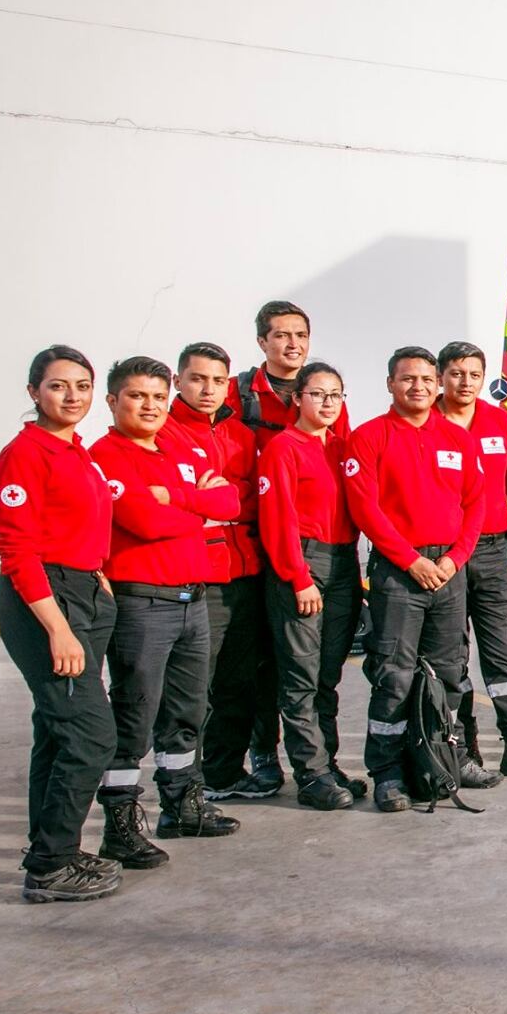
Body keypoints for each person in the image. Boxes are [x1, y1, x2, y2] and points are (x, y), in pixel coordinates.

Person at [91, 355, 242, 866]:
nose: (150, 406)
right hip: (142, 603)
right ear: (113, 401)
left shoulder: (180, 446)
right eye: (137, 396)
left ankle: (182, 806)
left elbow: (230, 504)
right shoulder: (106, 455)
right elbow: (143, 521)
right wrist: (196, 506)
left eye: (158, 396)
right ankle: (120, 823)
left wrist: (175, 499)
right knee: (134, 713)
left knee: (187, 712)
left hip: (192, 600)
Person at [0, 346, 122, 902]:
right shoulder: (24, 454)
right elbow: (17, 549)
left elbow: (79, 526)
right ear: (33, 392)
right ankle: (49, 866)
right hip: (46, 601)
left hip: (81, 591)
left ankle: (52, 849)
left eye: (82, 386)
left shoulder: (76, 451)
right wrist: (57, 628)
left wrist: (97, 576)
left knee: (56, 730)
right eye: (58, 386)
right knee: (92, 736)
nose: (72, 396)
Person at [343, 348, 485, 811]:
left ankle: (443, 761)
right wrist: (410, 561)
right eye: (408, 379)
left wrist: (455, 559)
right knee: (394, 676)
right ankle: (387, 773)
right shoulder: (369, 437)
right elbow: (365, 509)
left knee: (449, 674)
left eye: (426, 379)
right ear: (390, 384)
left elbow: (476, 504)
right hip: (399, 573)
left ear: (437, 384)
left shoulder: (458, 439)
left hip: (448, 571)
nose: (419, 387)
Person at [160, 343, 279, 804]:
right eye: (197, 379)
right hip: (198, 576)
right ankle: (184, 785)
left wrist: (214, 497)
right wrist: (213, 499)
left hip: (245, 571)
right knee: (194, 687)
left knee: (238, 681)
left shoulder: (240, 435)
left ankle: (223, 774)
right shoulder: (164, 433)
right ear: (178, 381)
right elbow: (166, 501)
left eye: (216, 381)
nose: (207, 389)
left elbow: (254, 499)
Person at [257, 362, 368, 810]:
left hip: (343, 564)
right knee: (300, 676)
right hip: (303, 565)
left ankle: (328, 763)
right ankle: (310, 774)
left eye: (335, 395)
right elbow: (276, 519)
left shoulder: (342, 448)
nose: (327, 402)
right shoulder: (283, 448)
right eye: (317, 394)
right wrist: (298, 578)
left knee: (327, 675)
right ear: (297, 399)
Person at [437, 342, 507, 780]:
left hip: (491, 548)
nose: (466, 382)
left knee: (503, 649)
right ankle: (461, 747)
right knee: (450, 653)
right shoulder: (428, 422)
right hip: (444, 553)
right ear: (441, 376)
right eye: (456, 373)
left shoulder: (500, 421)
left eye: (474, 374)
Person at [227, 300, 349, 446]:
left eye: (301, 335)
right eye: (282, 335)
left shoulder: (327, 393)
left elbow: (343, 448)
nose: (293, 344)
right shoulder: (232, 390)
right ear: (262, 343)